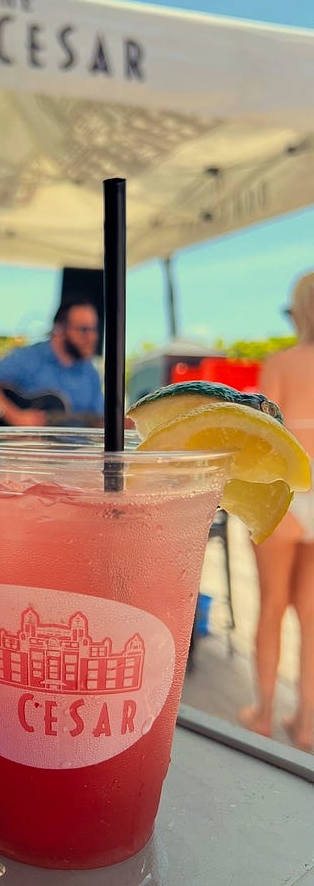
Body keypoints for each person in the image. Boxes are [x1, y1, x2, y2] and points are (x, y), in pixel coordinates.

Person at [239, 271, 314, 752]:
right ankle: (306, 724)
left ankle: (263, 712)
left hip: (289, 493)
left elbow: (267, 437)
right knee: (312, 616)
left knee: (270, 609)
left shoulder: (283, 362)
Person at [0, 299, 105, 426]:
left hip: (77, 452)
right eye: (84, 330)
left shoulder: (91, 373)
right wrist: (15, 416)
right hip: (25, 451)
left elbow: (99, 421)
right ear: (60, 329)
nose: (92, 337)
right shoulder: (29, 357)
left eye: (95, 329)